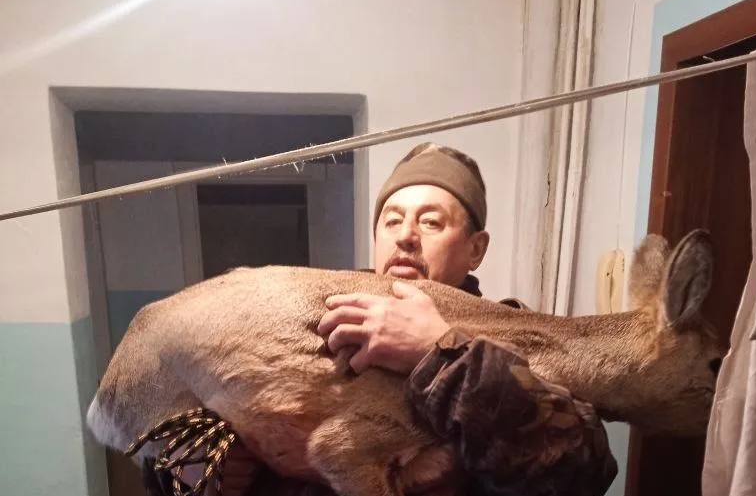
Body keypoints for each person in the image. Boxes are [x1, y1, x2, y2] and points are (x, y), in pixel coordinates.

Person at [144, 143, 617, 496]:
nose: (406, 236)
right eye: (392, 220)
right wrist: (199, 471)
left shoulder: (515, 336)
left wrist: (442, 352)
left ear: (476, 249)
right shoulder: (317, 322)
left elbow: (584, 473)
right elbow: (176, 447)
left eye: (431, 222)